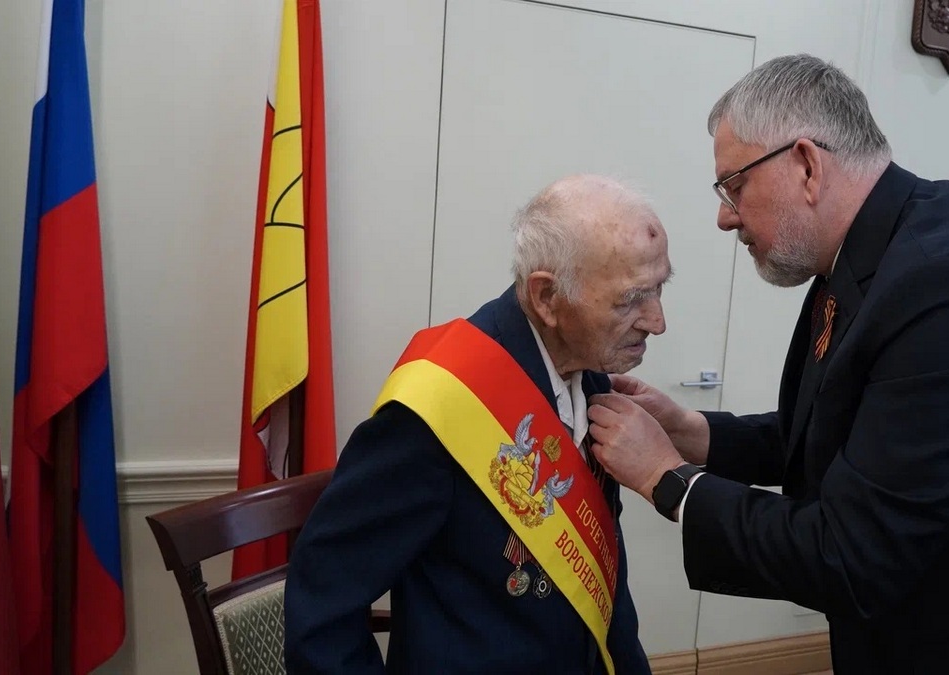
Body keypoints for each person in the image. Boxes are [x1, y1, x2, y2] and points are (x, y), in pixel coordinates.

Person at [586, 54, 949, 673]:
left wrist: (668, 478)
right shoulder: (871, 255)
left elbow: (852, 553)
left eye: (734, 186)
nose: (724, 215)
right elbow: (848, 432)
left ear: (806, 165)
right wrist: (692, 433)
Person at [284, 174, 668, 674]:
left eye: (659, 289)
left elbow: (603, 577)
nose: (657, 321)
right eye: (630, 299)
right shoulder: (437, 405)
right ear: (547, 297)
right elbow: (322, 602)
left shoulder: (590, 374)